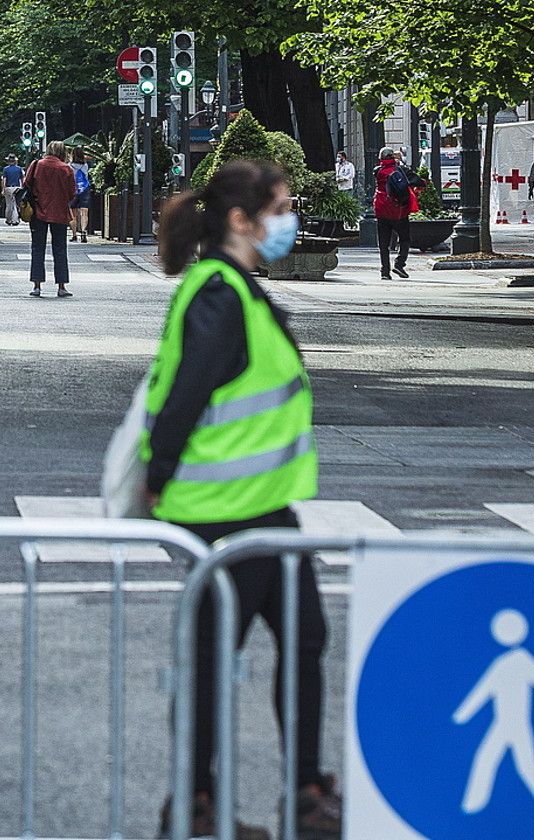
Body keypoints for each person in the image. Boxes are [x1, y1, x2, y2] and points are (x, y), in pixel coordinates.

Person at [148, 159, 340, 840]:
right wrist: (157, 476)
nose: (291, 220)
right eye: (282, 207)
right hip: (231, 509)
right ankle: (201, 805)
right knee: (215, 655)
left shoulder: (234, 288)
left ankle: (300, 791)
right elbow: (185, 393)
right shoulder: (219, 293)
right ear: (241, 219)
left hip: (261, 506)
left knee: (304, 638)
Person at [23, 140, 74, 298]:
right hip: (59, 212)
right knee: (60, 249)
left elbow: (26, 183)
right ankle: (61, 286)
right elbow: (72, 192)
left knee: (37, 248)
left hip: (38, 211)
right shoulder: (66, 169)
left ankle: (37, 285)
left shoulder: (37, 164)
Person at [373, 147, 416, 280]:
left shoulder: (377, 171)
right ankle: (399, 263)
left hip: (381, 210)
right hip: (399, 211)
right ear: (393, 157)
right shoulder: (401, 170)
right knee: (405, 239)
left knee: (383, 243)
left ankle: (385, 271)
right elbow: (419, 181)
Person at [68, 147, 91, 243]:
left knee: (73, 213)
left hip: (73, 190)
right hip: (85, 189)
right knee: (84, 212)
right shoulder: (85, 165)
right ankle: (84, 232)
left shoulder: (69, 166)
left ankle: (74, 234)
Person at [1, 155, 24, 226]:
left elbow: (4, 180)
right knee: (15, 204)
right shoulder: (19, 169)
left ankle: (8, 219)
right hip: (17, 188)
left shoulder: (6, 169)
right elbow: (22, 178)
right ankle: (15, 220)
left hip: (8, 187)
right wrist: (23, 187)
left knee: (9, 204)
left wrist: (3, 189)